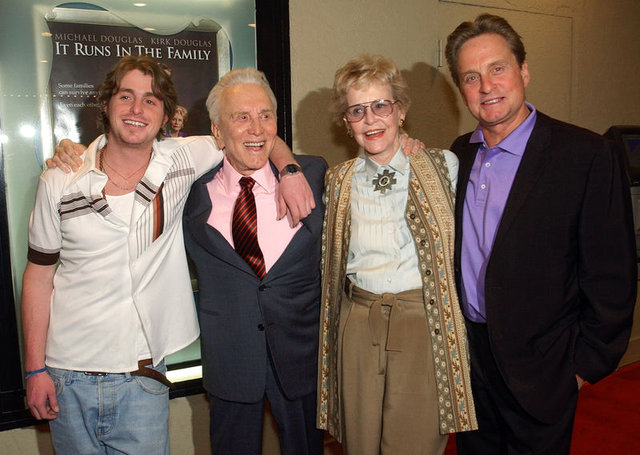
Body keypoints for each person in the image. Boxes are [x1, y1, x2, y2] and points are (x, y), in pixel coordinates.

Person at [21, 55, 312, 454]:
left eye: (151, 100)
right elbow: (38, 276)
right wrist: (34, 368)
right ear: (106, 104)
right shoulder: (59, 179)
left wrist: (291, 171)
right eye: (126, 96)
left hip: (144, 375)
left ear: (165, 115)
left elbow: (254, 135)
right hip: (66, 374)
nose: (137, 110)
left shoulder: (182, 160)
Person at [444, 14, 637, 454]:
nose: (486, 86)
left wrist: (584, 366)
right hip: (472, 366)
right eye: (471, 77)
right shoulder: (458, 155)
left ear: (524, 71)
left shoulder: (587, 156)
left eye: (498, 68)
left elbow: (613, 275)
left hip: (544, 368)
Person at [317, 54, 477, 455]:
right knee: (359, 444)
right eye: (357, 110)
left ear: (401, 111)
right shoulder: (338, 180)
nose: (370, 120)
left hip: (424, 323)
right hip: (358, 324)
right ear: (346, 122)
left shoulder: (443, 166)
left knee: (415, 442)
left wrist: (411, 154)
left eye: (381, 106)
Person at [182, 67, 327, 454]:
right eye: (241, 117)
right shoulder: (189, 195)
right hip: (231, 361)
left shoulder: (314, 175)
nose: (257, 129)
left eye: (265, 115)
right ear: (217, 131)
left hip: (302, 360)